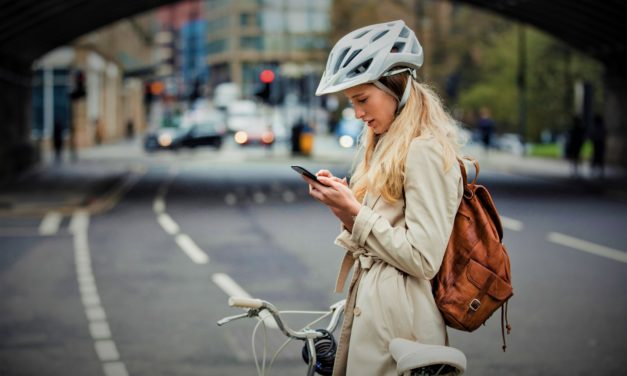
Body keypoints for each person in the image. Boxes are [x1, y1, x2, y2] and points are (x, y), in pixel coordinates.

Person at [302, 20, 464, 375]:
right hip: (376, 317)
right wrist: (344, 206)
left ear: (396, 87)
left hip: (400, 329)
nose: (358, 113)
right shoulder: (390, 144)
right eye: (352, 102)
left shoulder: (425, 151)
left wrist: (356, 213)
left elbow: (423, 258)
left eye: (363, 99)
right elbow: (383, 231)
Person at [589, 114, 606, 178]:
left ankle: (596, 171)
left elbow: (593, 135)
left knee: (597, 158)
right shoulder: (601, 127)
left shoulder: (597, 127)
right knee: (599, 158)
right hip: (599, 144)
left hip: (597, 144)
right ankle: (599, 171)